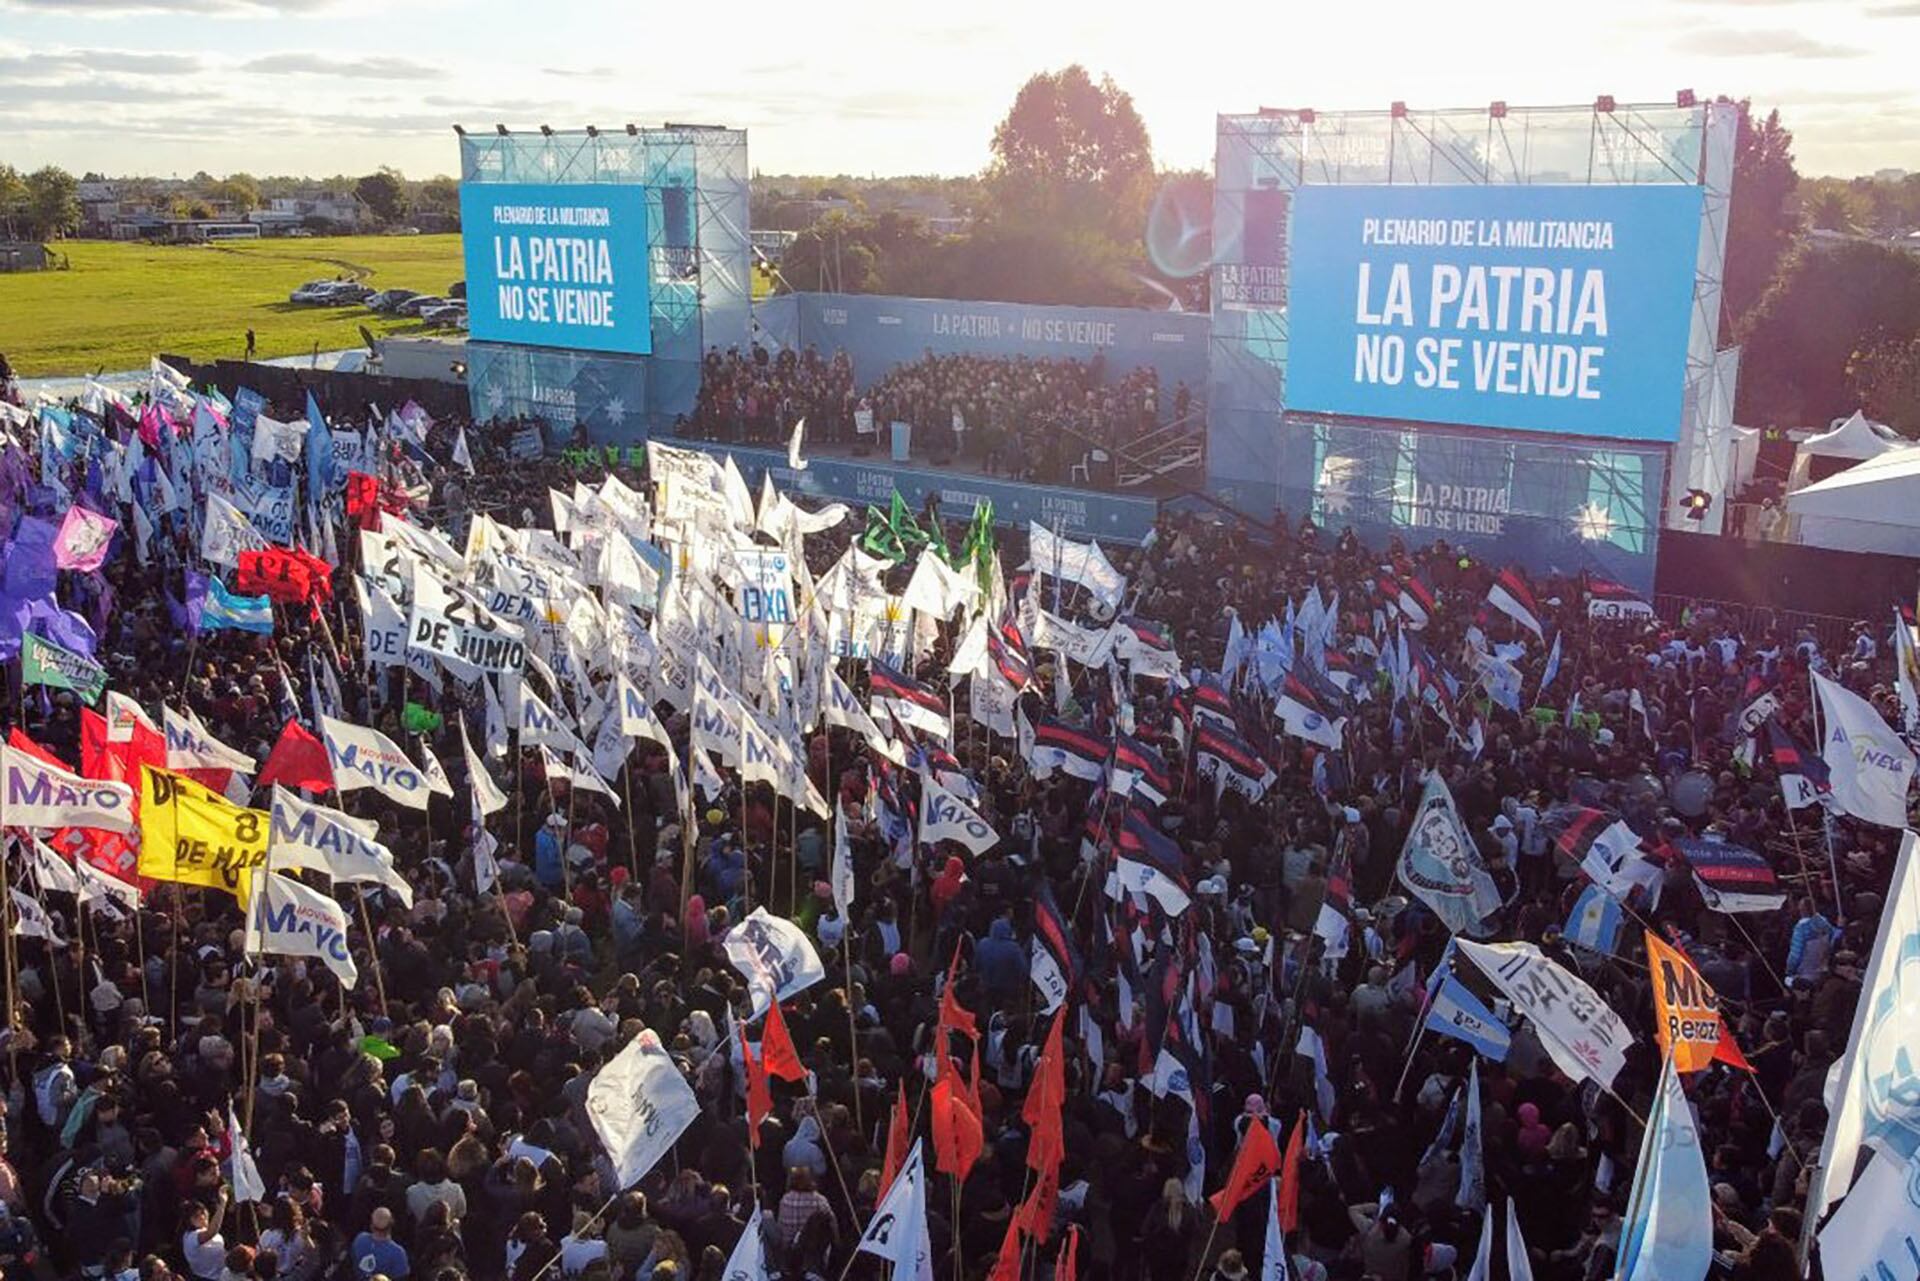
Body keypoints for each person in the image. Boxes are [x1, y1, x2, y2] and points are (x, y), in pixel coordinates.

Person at [349, 1207, 410, 1279]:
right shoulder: (398, 1253)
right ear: (391, 1225)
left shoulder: (360, 1239)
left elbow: (352, 1260)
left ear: (371, 1226)